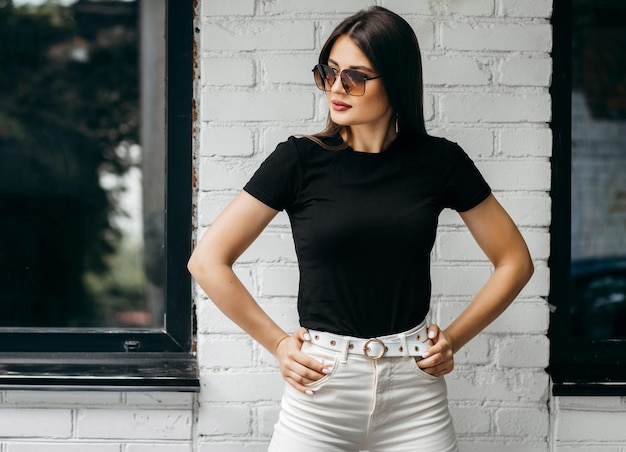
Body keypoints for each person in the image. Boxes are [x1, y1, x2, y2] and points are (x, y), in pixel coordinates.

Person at [188, 6, 533, 452]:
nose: (335, 88)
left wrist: (453, 340)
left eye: (354, 77)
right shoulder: (298, 160)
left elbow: (515, 262)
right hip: (320, 390)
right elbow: (207, 260)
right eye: (328, 73)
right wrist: (277, 344)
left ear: (396, 81)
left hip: (415, 395)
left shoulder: (441, 162)